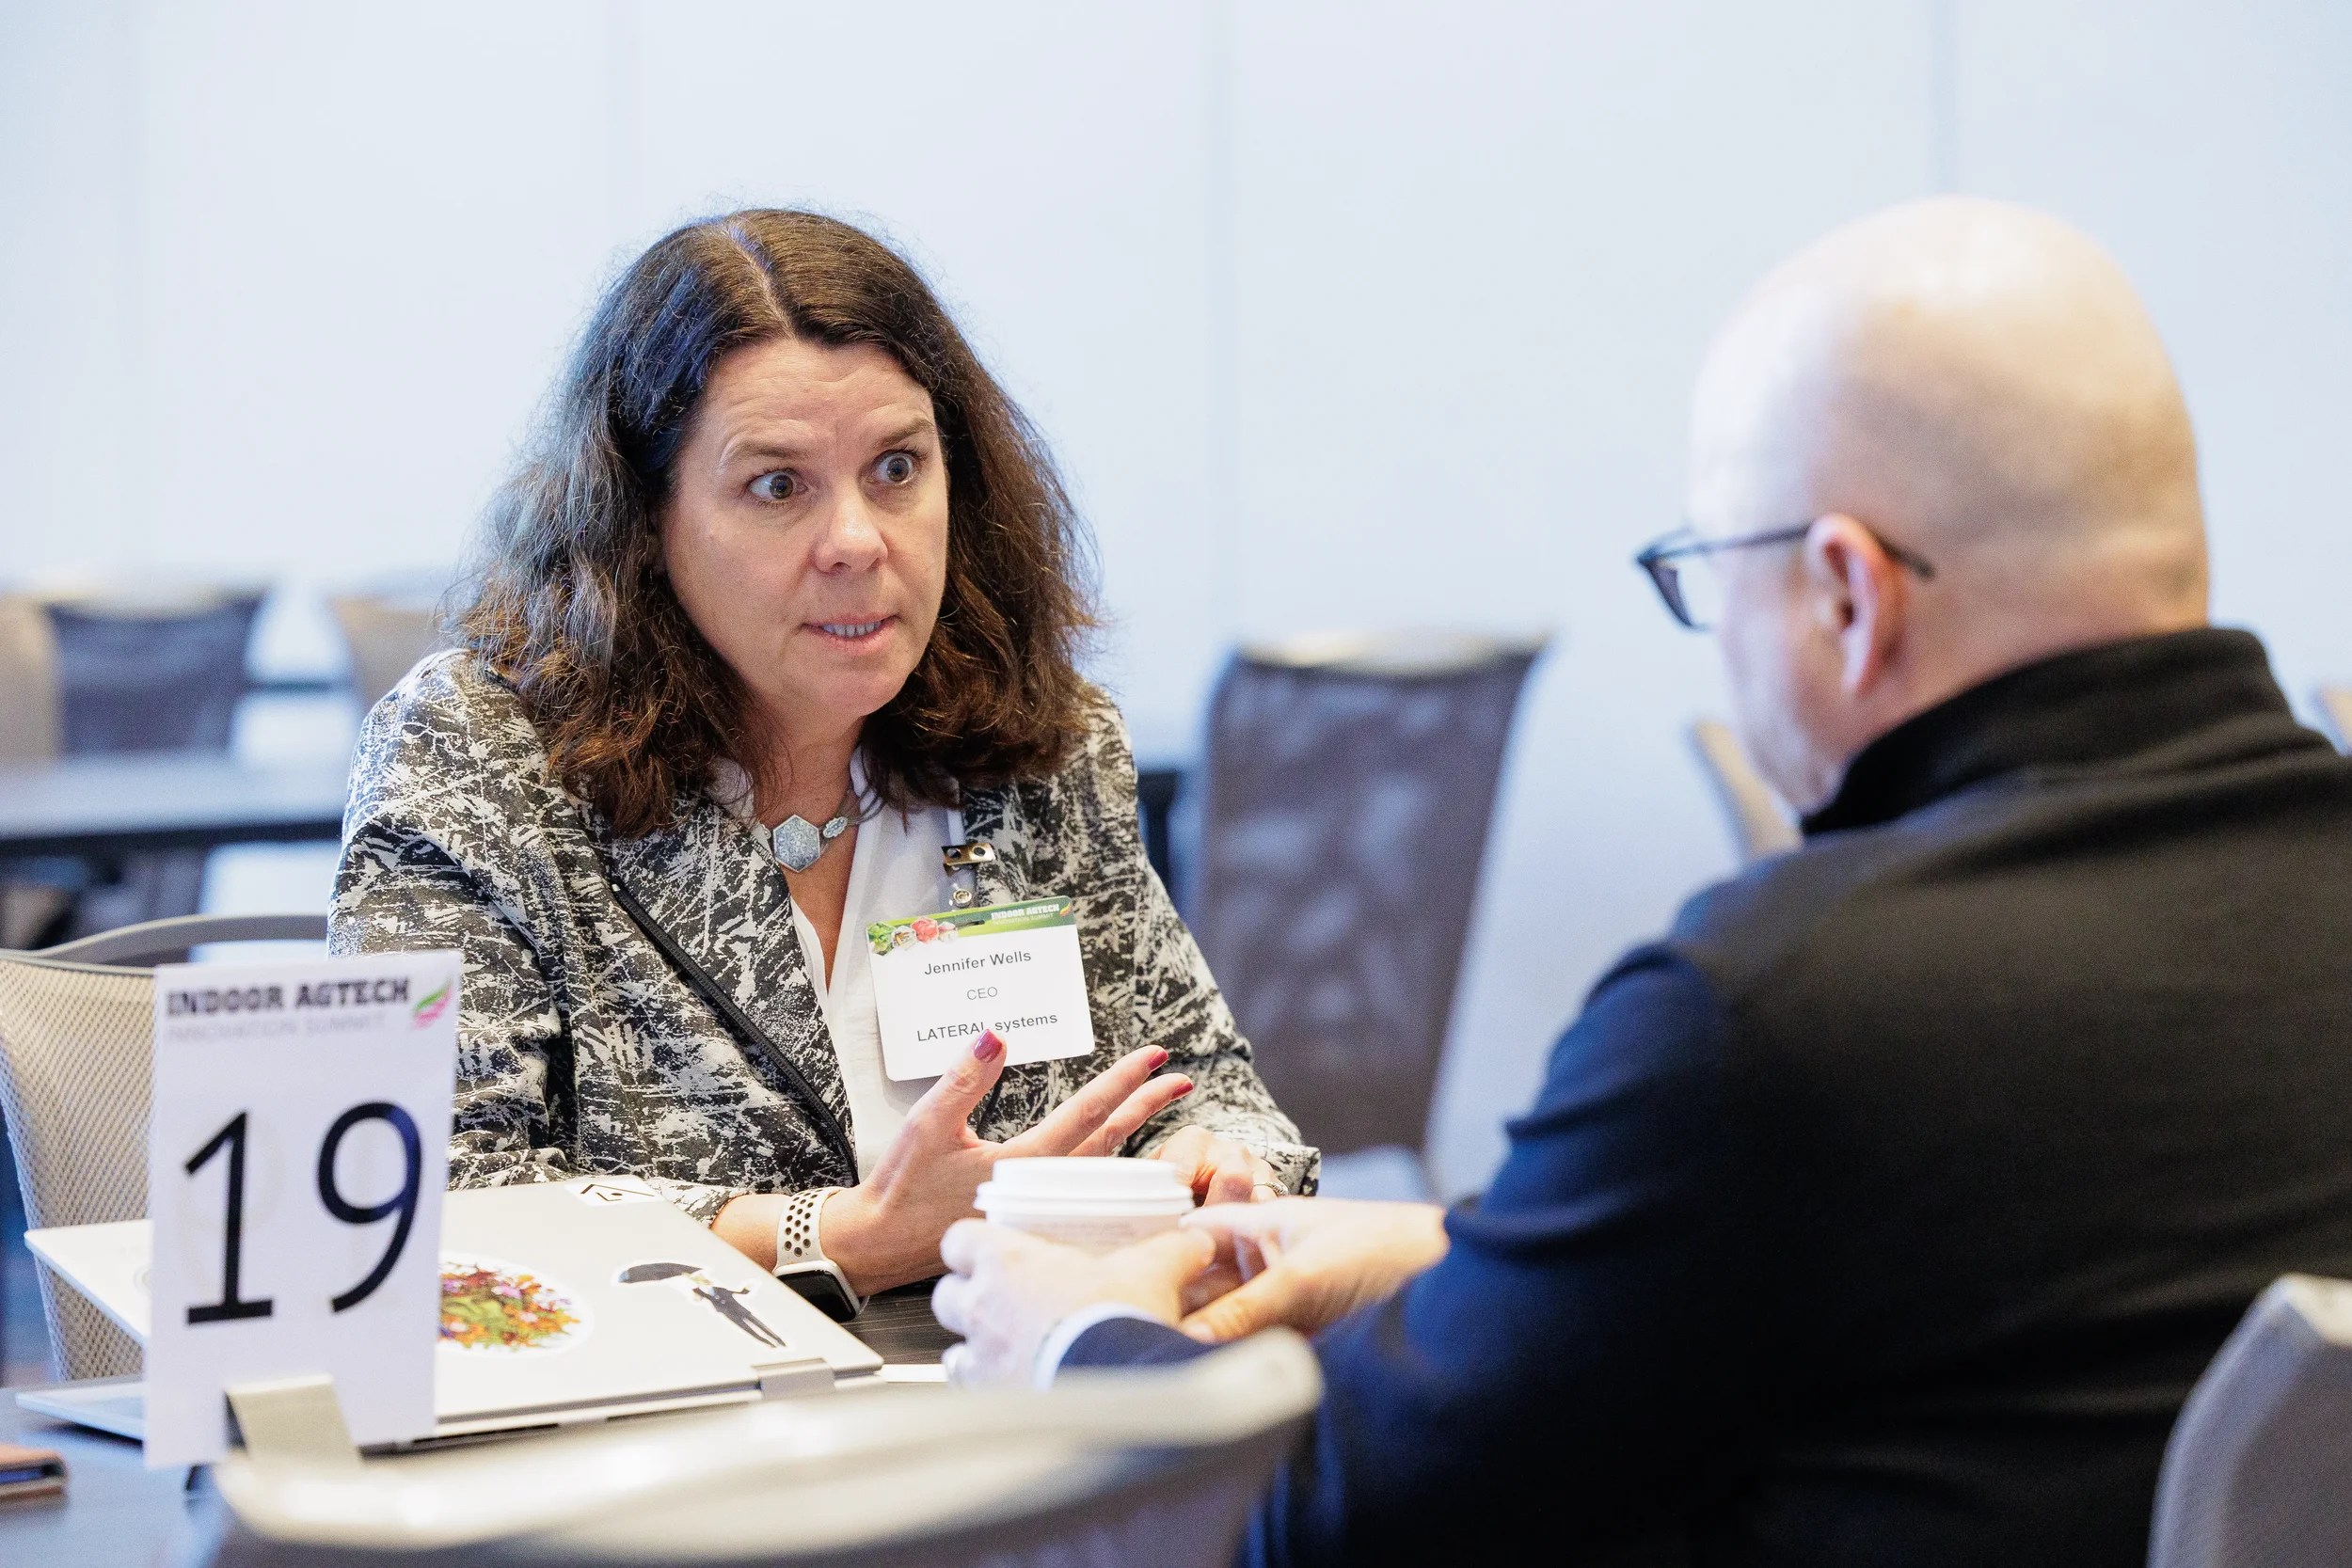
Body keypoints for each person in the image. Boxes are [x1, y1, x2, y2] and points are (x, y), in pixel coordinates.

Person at [931, 196, 2352, 1565]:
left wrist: (1076, 1342)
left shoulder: (1785, 1012)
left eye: (1711, 573)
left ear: (1849, 597)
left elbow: (1309, 1525)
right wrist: (1473, 1255)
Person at [332, 210, 1314, 1303]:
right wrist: (835, 1233)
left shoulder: (1040, 747)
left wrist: (1213, 1165)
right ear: (644, 522)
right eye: (777, 485)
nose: (857, 539)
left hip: (1024, 1404)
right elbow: (441, 1207)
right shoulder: (480, 757)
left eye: (897, 467)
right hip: (670, 1439)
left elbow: (1206, 1088)